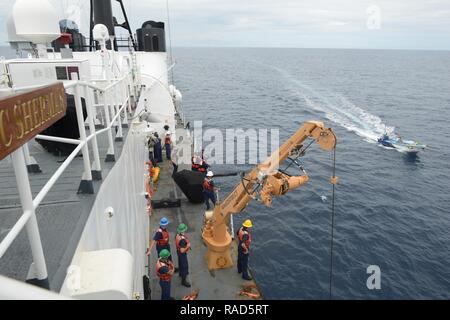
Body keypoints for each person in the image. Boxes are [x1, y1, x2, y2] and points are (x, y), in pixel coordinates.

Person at [175, 223, 191, 288]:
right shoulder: (182, 240)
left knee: (180, 264)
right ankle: (183, 281)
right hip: (182, 253)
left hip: (178, 251)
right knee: (184, 266)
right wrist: (187, 246)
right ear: (183, 231)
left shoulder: (177, 235)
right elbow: (182, 250)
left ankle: (180, 273)